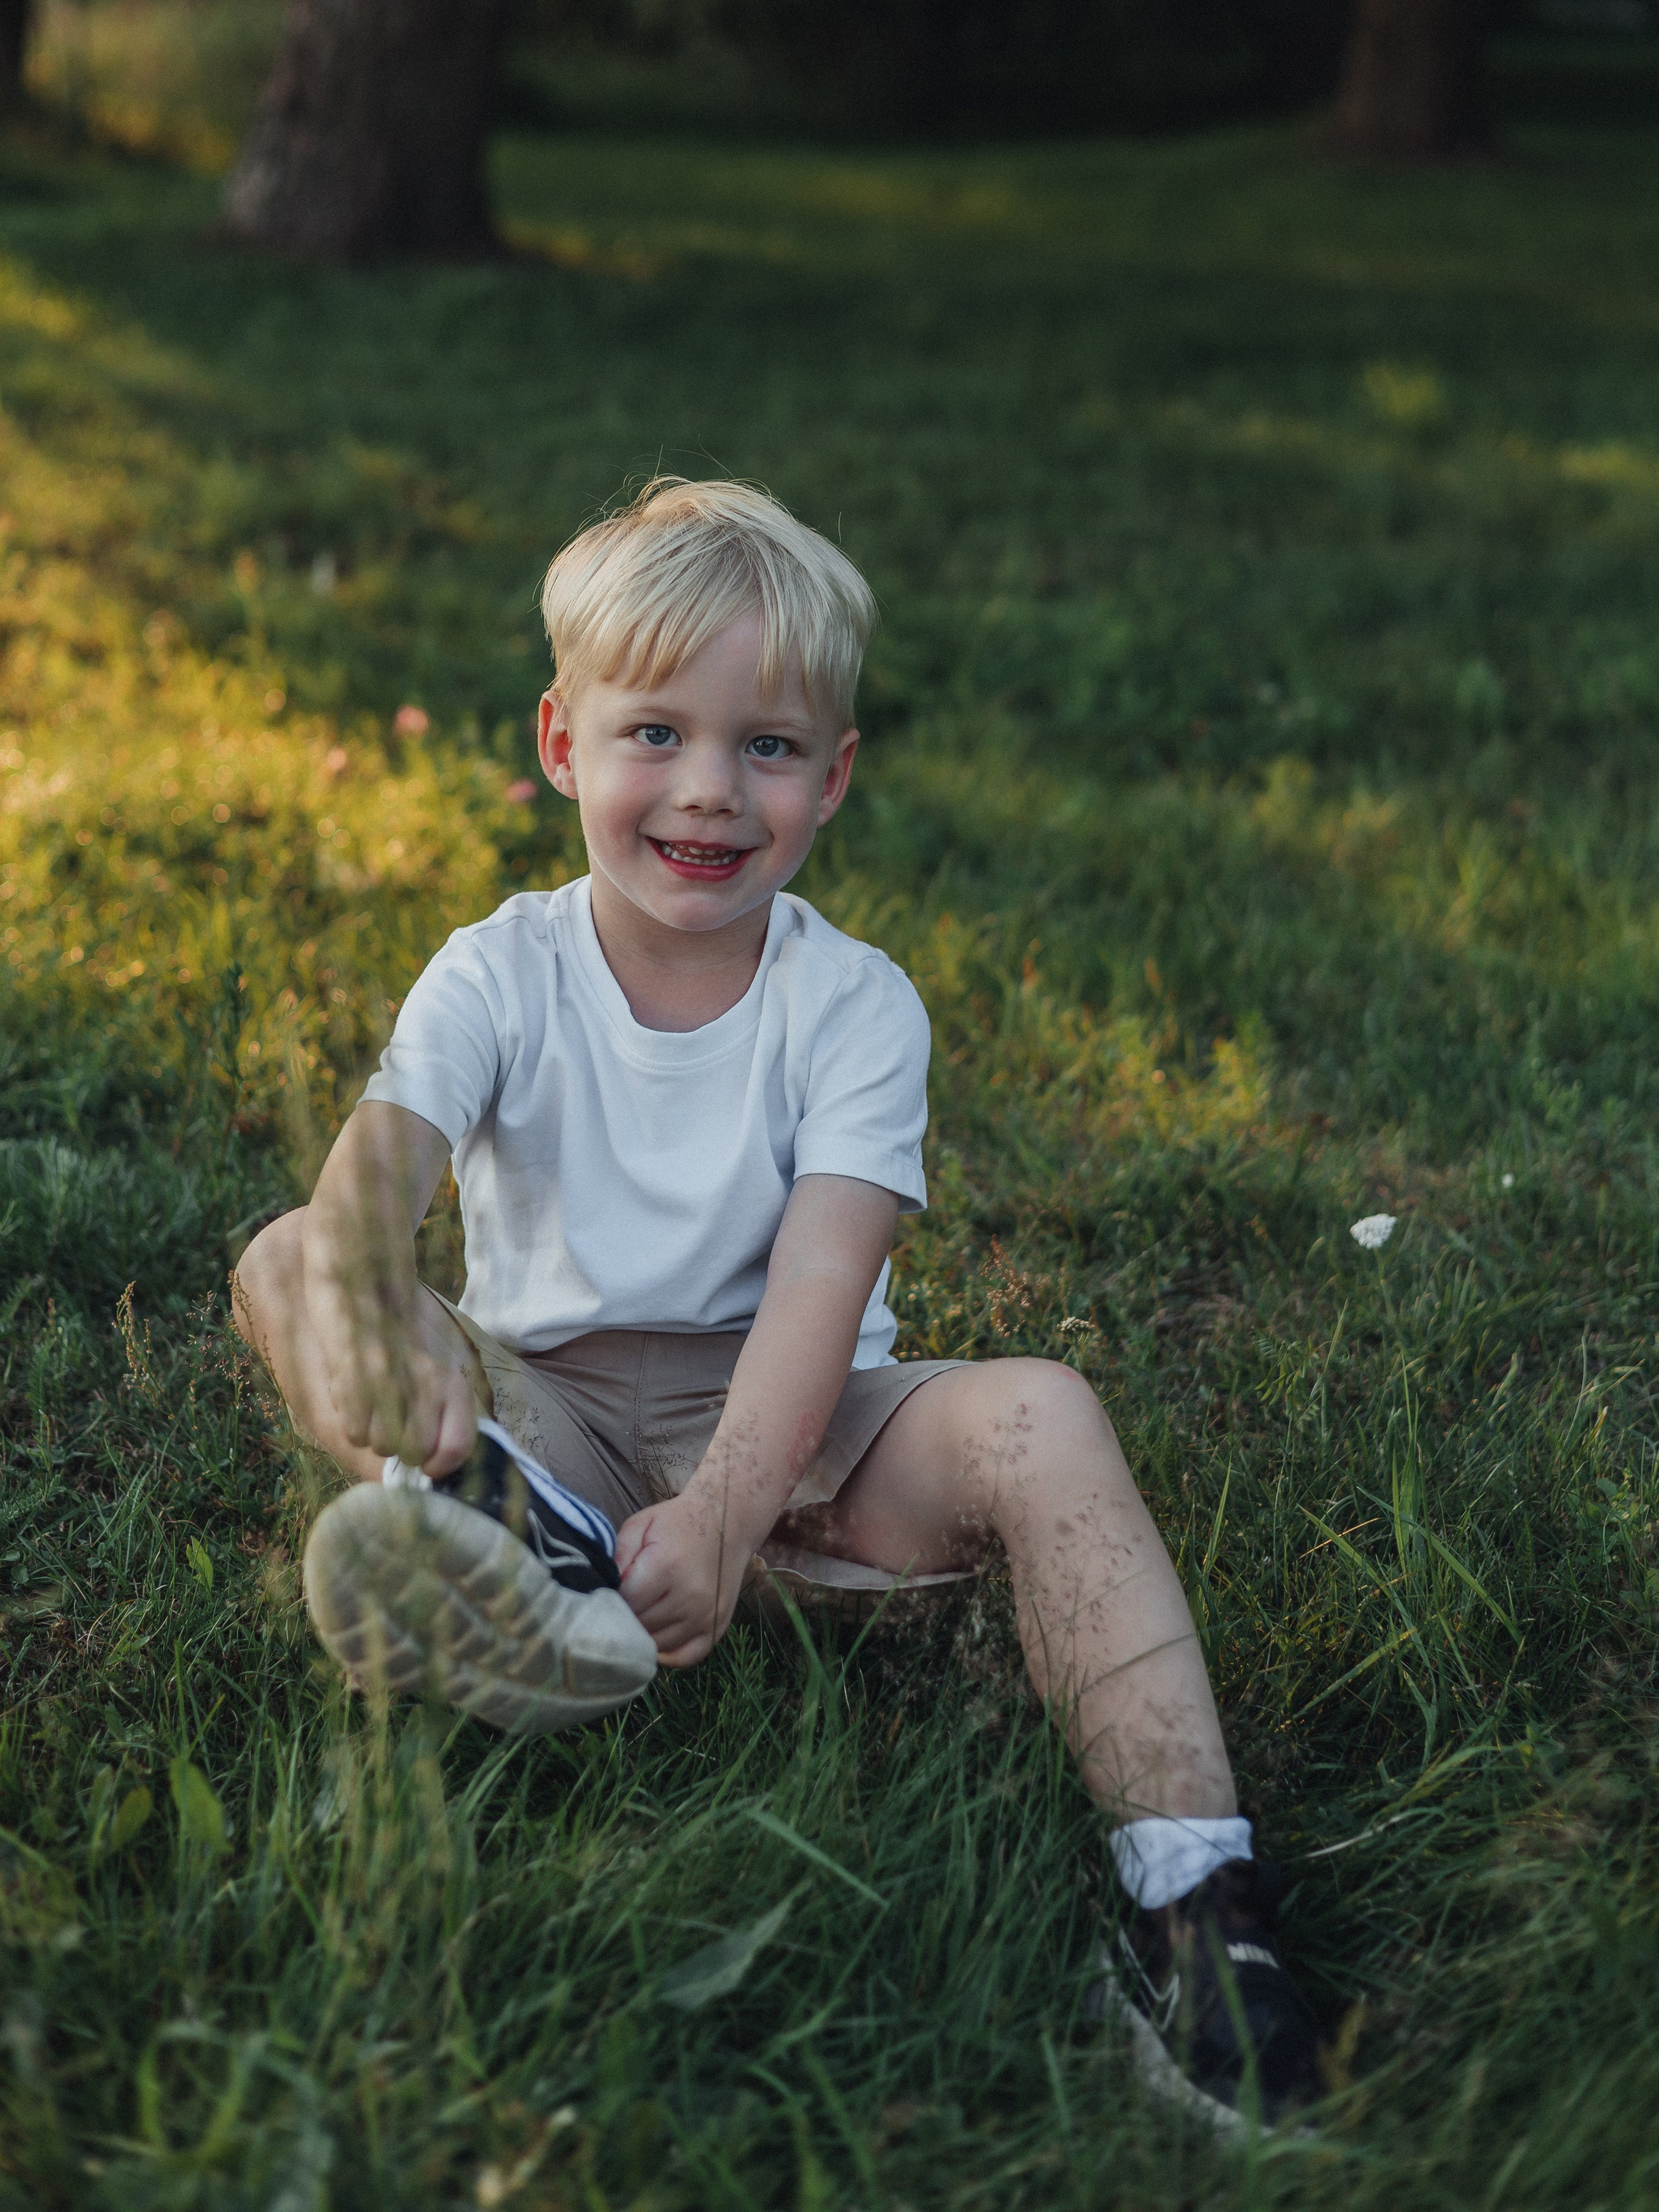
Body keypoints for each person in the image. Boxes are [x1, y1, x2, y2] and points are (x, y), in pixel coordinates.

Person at [233, 476, 1322, 2126]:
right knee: (285, 1251)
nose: (706, 791)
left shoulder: (855, 1007)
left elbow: (825, 1278)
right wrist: (358, 1263)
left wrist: (738, 1509)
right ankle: (508, 1532)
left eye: (766, 747)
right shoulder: (498, 970)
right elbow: (382, 1163)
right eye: (653, 733)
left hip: (812, 1450)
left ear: (833, 780)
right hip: (556, 1410)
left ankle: (1194, 1901)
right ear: (559, 745)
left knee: (1044, 1412)